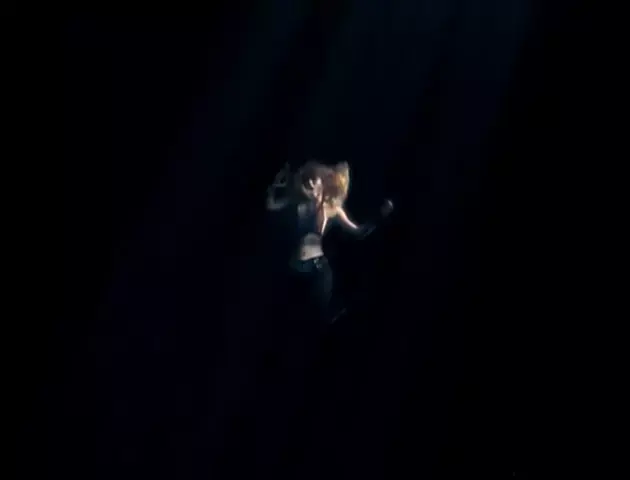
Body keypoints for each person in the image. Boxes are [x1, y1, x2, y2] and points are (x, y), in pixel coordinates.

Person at [265, 160, 393, 324]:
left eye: (314, 180)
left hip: (316, 269)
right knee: (286, 315)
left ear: (323, 183)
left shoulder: (332, 210)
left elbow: (358, 231)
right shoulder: (299, 200)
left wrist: (379, 217)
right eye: (309, 180)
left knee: (314, 318)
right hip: (295, 268)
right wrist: (274, 186)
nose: (311, 183)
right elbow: (271, 205)